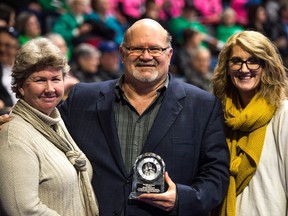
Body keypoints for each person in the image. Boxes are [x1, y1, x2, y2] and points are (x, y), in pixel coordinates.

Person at [0, 18, 230, 216]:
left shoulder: (202, 105)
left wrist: (183, 198)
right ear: (122, 53)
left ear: (169, 54)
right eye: (136, 48)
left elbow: (216, 174)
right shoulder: (83, 99)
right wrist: (8, 122)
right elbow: (42, 130)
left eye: (155, 49)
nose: (146, 56)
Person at [0, 37, 99, 216]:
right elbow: (22, 210)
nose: (50, 88)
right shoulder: (13, 135)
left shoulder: (55, 121)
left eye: (55, 79)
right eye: (39, 80)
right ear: (21, 86)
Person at [211, 30, 288, 216]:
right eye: (236, 61)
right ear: (227, 68)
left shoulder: (283, 113)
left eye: (253, 60)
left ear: (266, 65)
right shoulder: (218, 115)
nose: (244, 69)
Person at [0, 26, 19, 115]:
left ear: (16, 47)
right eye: (0, 44)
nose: (2, 49)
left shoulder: (24, 68)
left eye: (7, 46)